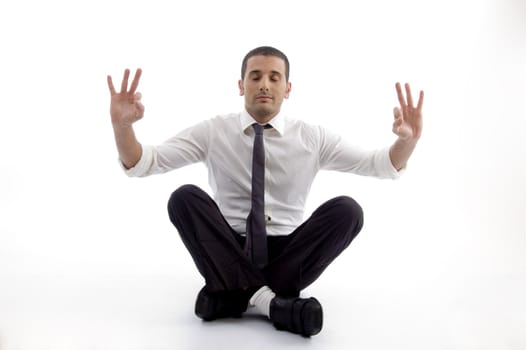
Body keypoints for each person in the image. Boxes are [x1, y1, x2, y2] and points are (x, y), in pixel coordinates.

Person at [107, 46, 423, 337]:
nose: (264, 84)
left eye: (275, 77)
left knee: (348, 211)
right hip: (227, 248)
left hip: (289, 253)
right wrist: (123, 127)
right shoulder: (214, 131)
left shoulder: (312, 138)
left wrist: (406, 141)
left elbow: (379, 164)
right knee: (184, 198)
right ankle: (275, 304)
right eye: (255, 76)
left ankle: (231, 297)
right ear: (241, 85)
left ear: (288, 88)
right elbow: (144, 163)